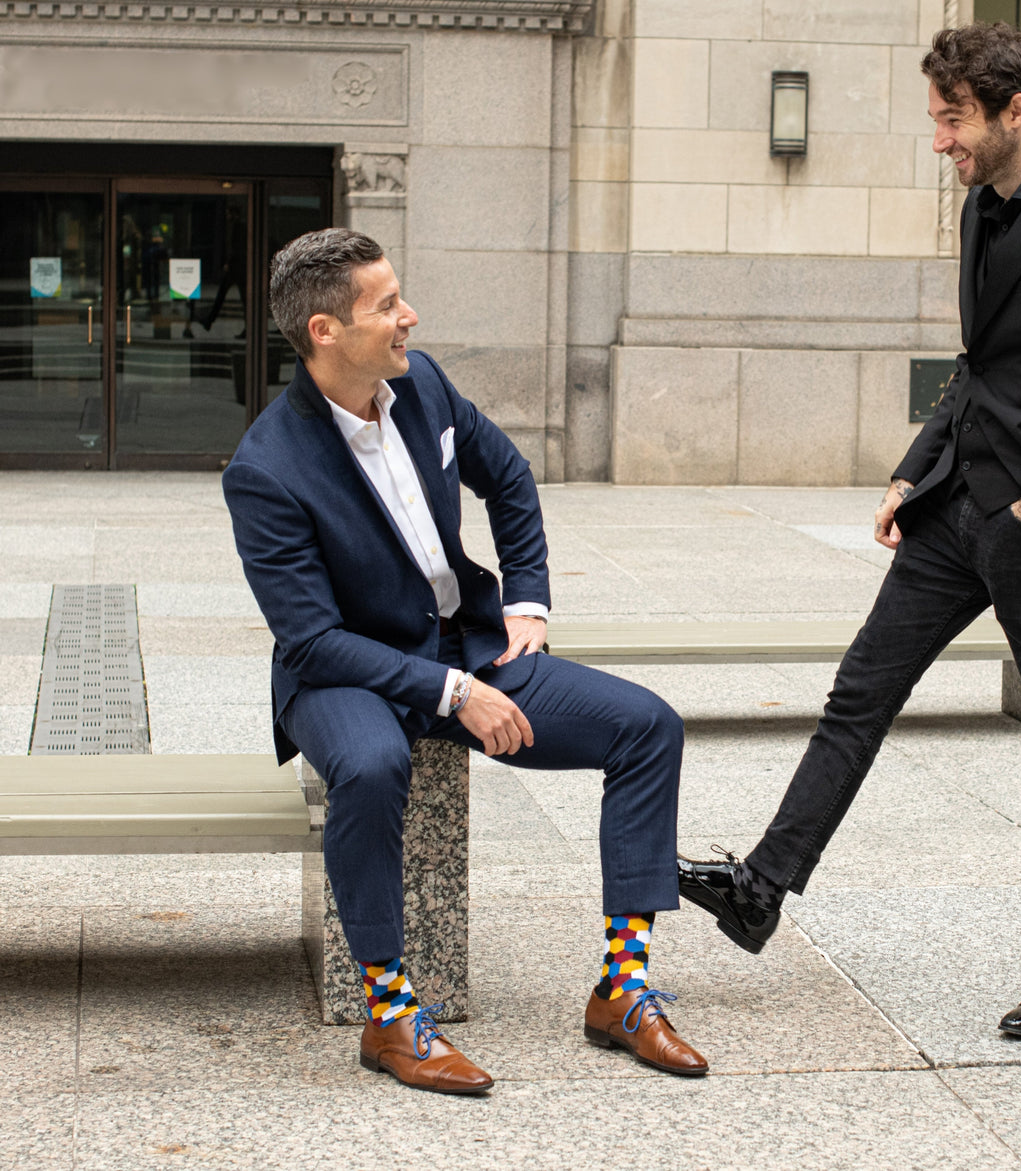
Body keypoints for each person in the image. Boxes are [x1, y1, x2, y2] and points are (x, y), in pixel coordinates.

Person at [678, 21, 1021, 1039]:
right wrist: (914, 470)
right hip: (955, 508)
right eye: (936, 120)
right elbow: (983, 365)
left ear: (1013, 111)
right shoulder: (981, 211)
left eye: (952, 121)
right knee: (858, 694)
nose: (939, 140)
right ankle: (763, 888)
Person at [223, 228, 707, 1094]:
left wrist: (527, 599)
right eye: (386, 306)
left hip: (466, 636)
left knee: (648, 727)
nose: (409, 316)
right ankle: (391, 1013)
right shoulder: (266, 467)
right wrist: (455, 694)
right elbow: (311, 637)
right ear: (326, 332)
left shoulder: (425, 384)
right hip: (344, 671)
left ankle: (622, 988)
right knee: (371, 765)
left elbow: (510, 477)